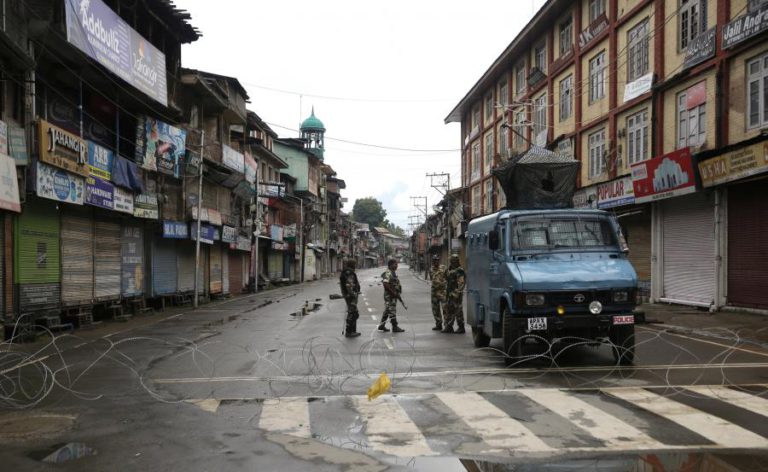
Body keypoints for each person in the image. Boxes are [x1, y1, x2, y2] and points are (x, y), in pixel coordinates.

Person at [379, 258, 405, 333]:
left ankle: (381, 325)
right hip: (390, 296)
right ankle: (395, 326)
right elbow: (385, 284)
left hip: (393, 295)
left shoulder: (393, 273)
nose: (397, 265)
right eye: (395, 264)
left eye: (397, 264)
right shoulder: (388, 273)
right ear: (390, 265)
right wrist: (393, 293)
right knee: (392, 310)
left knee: (387, 310)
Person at [443, 254, 466, 334]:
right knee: (449, 310)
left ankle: (461, 327)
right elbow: (445, 279)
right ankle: (449, 326)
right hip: (449, 294)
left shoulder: (459, 270)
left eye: (453, 260)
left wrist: (457, 292)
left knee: (458, 310)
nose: (452, 262)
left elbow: (461, 283)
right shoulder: (449, 270)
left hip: (456, 294)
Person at [339, 259, 361, 338]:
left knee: (354, 313)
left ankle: (352, 330)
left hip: (349, 295)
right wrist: (354, 294)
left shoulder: (346, 272)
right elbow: (349, 285)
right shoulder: (349, 273)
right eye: (355, 264)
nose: (356, 265)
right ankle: (349, 332)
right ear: (352, 265)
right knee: (352, 313)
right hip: (351, 296)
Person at [430, 256, 447, 331]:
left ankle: (447, 325)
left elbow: (448, 277)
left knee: (445, 308)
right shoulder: (431, 269)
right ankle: (438, 324)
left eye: (437, 260)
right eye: (434, 260)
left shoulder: (443, 268)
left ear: (439, 260)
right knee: (435, 309)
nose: (436, 262)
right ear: (433, 261)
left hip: (443, 291)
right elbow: (431, 279)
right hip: (434, 292)